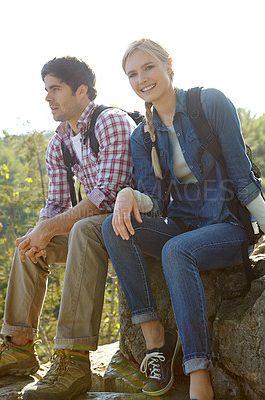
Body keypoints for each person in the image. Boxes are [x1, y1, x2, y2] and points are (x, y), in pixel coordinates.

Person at [102, 39, 265, 400]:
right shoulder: (141, 136)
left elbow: (243, 179)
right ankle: (155, 344)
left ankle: (198, 373)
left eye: (148, 67)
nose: (141, 79)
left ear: (168, 65)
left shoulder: (209, 103)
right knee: (112, 229)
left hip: (226, 226)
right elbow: (157, 203)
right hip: (182, 224)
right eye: (132, 74)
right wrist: (128, 195)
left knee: (177, 251)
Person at [0, 56, 136, 399]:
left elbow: (107, 195)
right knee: (31, 245)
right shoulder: (60, 141)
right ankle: (18, 347)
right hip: (93, 226)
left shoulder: (111, 121)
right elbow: (57, 205)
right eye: (46, 90)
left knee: (81, 229)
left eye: (55, 89)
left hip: (133, 221)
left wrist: (49, 228)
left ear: (81, 90)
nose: (48, 97)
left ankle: (73, 361)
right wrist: (39, 233)